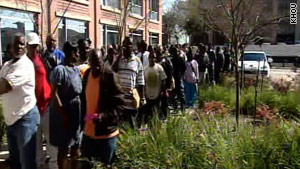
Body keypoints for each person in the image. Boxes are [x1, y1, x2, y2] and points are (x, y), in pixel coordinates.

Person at [0, 33, 40, 169]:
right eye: (16, 43)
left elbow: (4, 86)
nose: (19, 46)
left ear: (26, 47)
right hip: (12, 120)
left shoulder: (25, 65)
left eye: (22, 44)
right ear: (11, 46)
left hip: (25, 119)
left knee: (27, 164)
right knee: (15, 163)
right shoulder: (7, 65)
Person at [81, 49, 125, 167]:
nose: (96, 68)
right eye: (93, 63)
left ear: (103, 61)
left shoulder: (110, 76)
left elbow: (120, 104)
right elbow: (84, 100)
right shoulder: (87, 75)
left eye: (98, 64)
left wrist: (103, 117)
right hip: (88, 134)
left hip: (106, 135)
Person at [26, 32, 57, 169]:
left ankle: (54, 165)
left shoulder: (43, 59)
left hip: (47, 105)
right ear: (27, 46)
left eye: (35, 46)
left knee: (51, 141)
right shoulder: (24, 63)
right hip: (33, 108)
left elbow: (50, 78)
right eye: (31, 46)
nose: (34, 49)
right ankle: (39, 165)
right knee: (37, 142)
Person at [49, 41, 82, 169]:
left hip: (75, 113)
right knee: (63, 148)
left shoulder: (76, 70)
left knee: (76, 146)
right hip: (64, 115)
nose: (78, 54)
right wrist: (64, 115)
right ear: (70, 53)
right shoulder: (59, 71)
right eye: (76, 52)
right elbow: (54, 94)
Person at [113, 37, 146, 128]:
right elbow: (113, 71)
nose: (127, 47)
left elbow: (141, 80)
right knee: (120, 128)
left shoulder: (137, 61)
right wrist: (119, 55)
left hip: (132, 100)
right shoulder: (118, 59)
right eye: (124, 45)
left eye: (129, 45)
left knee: (132, 127)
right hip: (120, 100)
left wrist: (142, 97)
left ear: (132, 47)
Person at [143, 52, 167, 124]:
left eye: (153, 57)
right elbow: (143, 82)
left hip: (157, 93)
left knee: (156, 110)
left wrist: (162, 91)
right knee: (149, 111)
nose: (152, 59)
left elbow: (163, 80)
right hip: (148, 94)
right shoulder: (145, 68)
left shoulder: (159, 68)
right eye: (150, 57)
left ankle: (156, 124)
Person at [156, 46, 173, 119]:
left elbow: (169, 74)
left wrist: (168, 86)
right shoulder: (154, 62)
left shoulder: (165, 62)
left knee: (164, 100)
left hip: (164, 85)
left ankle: (165, 115)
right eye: (157, 52)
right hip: (156, 85)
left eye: (159, 52)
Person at [170, 45, 186, 112]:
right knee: (174, 94)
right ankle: (176, 107)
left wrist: (181, 74)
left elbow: (184, 68)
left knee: (180, 94)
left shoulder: (180, 59)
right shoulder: (171, 60)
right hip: (174, 78)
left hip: (178, 78)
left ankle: (182, 108)